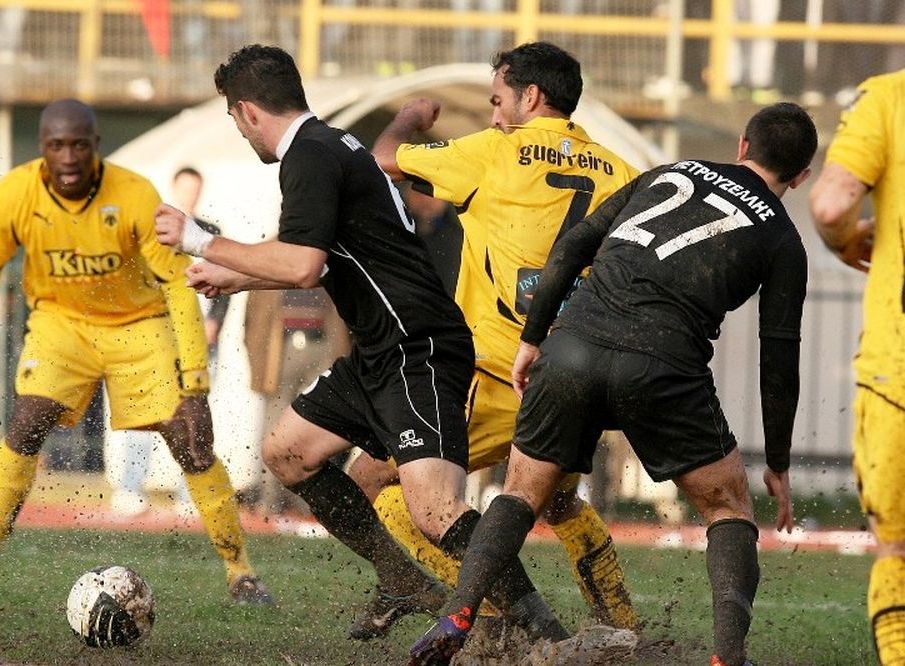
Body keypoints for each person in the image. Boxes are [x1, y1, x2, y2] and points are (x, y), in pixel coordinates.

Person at [154, 44, 568, 646]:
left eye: (233, 119)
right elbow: (328, 261)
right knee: (287, 452)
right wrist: (239, 276)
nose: (240, 131)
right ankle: (400, 580)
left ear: (247, 111)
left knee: (435, 510)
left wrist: (200, 241)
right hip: (380, 350)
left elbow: (303, 264)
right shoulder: (331, 145)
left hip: (418, 347)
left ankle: (545, 631)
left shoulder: (308, 157)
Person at [408, 102, 817, 666]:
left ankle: (458, 614)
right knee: (728, 509)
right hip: (662, 367)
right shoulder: (784, 240)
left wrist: (533, 338)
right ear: (801, 176)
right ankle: (727, 657)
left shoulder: (670, 172)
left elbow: (574, 246)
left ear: (743, 146)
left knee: (520, 494)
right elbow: (779, 355)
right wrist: (778, 462)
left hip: (573, 346)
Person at [0, 98, 273, 605]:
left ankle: (242, 574)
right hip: (60, 324)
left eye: (79, 146)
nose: (68, 158)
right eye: (56, 146)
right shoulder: (14, 194)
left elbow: (177, 285)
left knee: (192, 441)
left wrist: (195, 381)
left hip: (139, 325)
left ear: (96, 146)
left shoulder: (133, 194)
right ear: (42, 147)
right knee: (26, 423)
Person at [359, 40, 640, 637]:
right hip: (572, 377)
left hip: (490, 372)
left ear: (529, 96)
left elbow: (380, 159)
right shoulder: (623, 172)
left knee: (384, 488)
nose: (492, 115)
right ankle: (625, 628)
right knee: (559, 504)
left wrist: (410, 117)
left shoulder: (495, 152)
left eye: (496, 100)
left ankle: (497, 617)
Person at [808, 69, 905, 666]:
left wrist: (846, 240)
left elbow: (831, 203)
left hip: (898, 371)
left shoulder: (889, 97)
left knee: (897, 552)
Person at [104, 165, 229, 518]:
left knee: (194, 416)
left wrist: (215, 322)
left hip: (200, 342)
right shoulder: (153, 232)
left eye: (194, 189)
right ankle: (130, 487)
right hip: (159, 340)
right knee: (145, 412)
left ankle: (191, 494)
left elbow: (225, 283)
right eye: (184, 189)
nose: (189, 195)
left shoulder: (212, 234)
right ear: (174, 190)